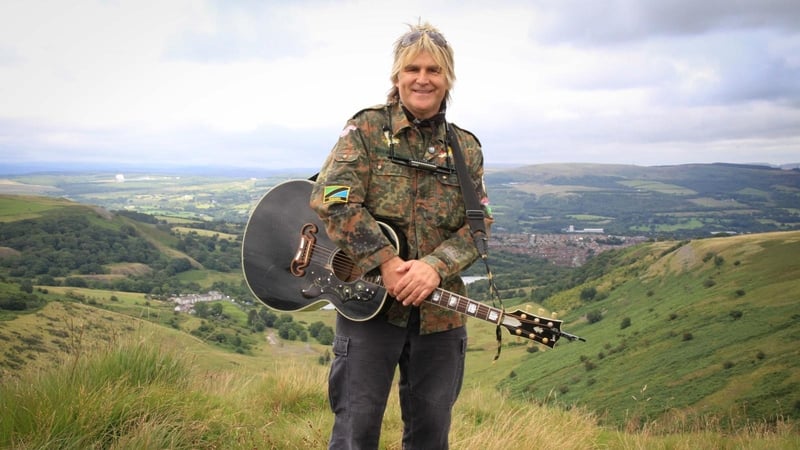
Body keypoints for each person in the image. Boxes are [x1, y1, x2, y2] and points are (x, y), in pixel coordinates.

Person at [309, 21, 492, 450]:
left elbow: (479, 224)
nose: (423, 79)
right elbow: (332, 196)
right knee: (356, 432)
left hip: (440, 318)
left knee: (431, 436)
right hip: (368, 309)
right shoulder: (366, 130)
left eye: (434, 70)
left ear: (448, 79)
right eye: (413, 69)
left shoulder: (466, 149)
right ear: (397, 77)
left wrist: (434, 267)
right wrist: (385, 262)